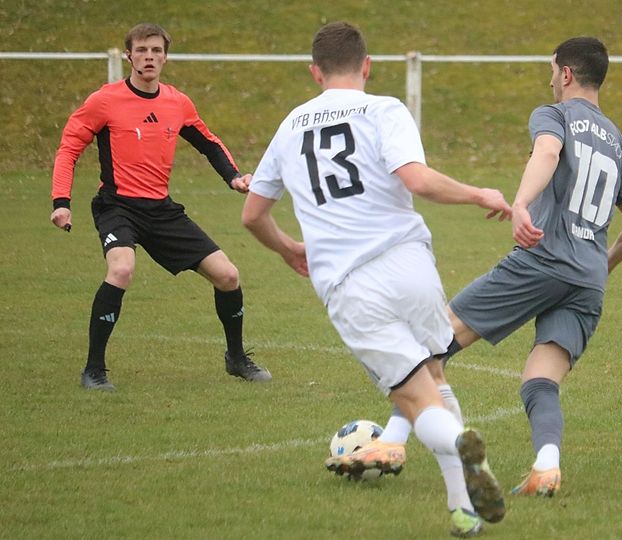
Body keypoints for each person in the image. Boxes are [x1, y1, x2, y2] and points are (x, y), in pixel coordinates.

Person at [240, 22, 509, 537]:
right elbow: (417, 180)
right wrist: (479, 193)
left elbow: (253, 215)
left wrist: (288, 248)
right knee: (434, 375)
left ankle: (457, 448)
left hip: (349, 282)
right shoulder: (385, 109)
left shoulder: (290, 126)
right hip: (410, 263)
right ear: (367, 66)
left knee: (415, 398)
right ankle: (464, 510)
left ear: (315, 72)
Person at [367, 36, 622, 498]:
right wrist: (601, 265)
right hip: (587, 280)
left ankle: (392, 443)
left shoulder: (554, 115)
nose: (550, 78)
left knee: (433, 341)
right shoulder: (619, 142)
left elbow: (547, 153)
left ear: (566, 74)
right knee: (540, 381)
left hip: (543, 259)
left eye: (552, 69)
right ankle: (546, 466)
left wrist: (520, 203)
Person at [50, 23, 270, 391]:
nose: (149, 57)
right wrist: (61, 202)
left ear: (165, 57)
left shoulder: (177, 102)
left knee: (228, 276)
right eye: (141, 50)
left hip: (162, 210)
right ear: (129, 56)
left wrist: (233, 177)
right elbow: (69, 148)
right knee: (121, 269)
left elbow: (209, 143)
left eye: (156, 50)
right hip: (117, 207)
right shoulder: (104, 101)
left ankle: (236, 358)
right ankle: (94, 370)